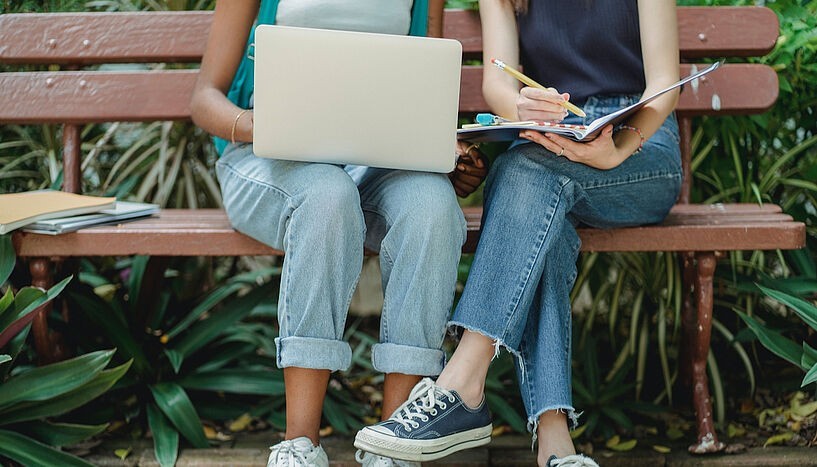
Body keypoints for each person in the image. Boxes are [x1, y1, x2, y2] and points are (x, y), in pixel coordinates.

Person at [355, 0, 683, 466]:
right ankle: (556, 445)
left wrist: (615, 151)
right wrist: (523, 106)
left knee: (524, 172)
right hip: (556, 136)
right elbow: (498, 84)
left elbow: (664, 87)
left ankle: (461, 380)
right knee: (542, 211)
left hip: (638, 147)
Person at [189, 1, 488, 466]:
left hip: (375, 158)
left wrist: (443, 151)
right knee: (327, 197)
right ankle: (300, 445)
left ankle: (395, 445)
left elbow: (422, 92)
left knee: (432, 207)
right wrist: (265, 126)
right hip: (267, 157)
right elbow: (205, 98)